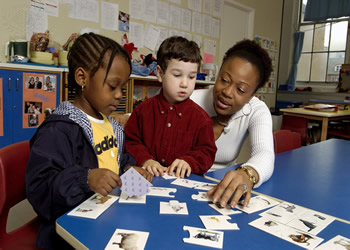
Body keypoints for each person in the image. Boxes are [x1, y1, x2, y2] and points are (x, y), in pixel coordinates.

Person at [26, 33, 152, 249]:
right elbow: (39, 190)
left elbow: (117, 163)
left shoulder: (111, 126)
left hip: (106, 219)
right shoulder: (59, 130)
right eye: (112, 86)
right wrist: (84, 179)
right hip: (69, 236)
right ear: (82, 78)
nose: (120, 95)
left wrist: (132, 170)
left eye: (123, 88)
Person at [190, 39, 274, 208]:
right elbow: (146, 115)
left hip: (219, 191)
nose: (227, 92)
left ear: (252, 95)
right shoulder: (191, 98)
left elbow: (265, 153)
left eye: (241, 90)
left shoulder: (256, 110)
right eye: (224, 80)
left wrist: (247, 174)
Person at [125, 36, 217, 178]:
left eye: (191, 77)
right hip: (147, 179)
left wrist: (189, 162)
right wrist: (146, 159)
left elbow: (207, 152)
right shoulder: (142, 111)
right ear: (160, 74)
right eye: (177, 75)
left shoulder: (202, 119)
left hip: (183, 185)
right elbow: (131, 142)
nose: (185, 84)